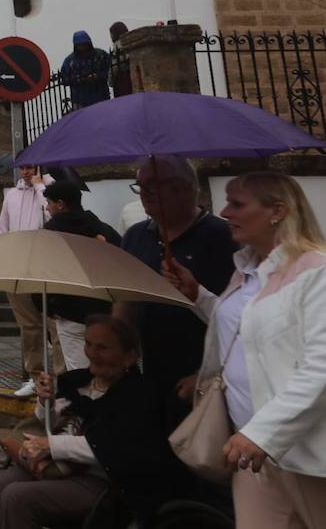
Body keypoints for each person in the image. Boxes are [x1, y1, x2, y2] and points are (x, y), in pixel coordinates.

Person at [164, 172, 326, 525]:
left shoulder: (317, 272)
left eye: (237, 203)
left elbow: (321, 368)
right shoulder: (248, 270)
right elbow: (246, 332)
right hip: (253, 454)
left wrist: (261, 433)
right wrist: (199, 297)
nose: (223, 212)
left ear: (277, 211)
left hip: (310, 453)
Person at [0, 315, 195, 529]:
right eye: (88, 344)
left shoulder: (139, 395)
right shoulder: (76, 381)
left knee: (16, 497)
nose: (92, 354)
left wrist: (51, 446)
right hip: (57, 466)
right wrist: (45, 401)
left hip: (101, 477)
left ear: (129, 357)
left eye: (102, 348)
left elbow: (114, 447)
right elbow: (48, 423)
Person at [118, 155, 237, 431]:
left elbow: (242, 318)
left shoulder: (222, 237)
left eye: (152, 186)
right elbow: (125, 298)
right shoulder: (137, 236)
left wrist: (211, 374)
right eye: (139, 187)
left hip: (204, 376)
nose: (144, 195)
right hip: (152, 370)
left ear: (184, 188)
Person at [40, 180, 121, 370]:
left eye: (50, 203)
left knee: (78, 371)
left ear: (60, 204)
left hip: (68, 310)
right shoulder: (102, 228)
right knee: (105, 368)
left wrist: (47, 306)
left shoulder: (51, 234)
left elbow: (44, 270)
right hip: (102, 308)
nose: (47, 207)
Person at [0, 165, 57, 398]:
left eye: (30, 167)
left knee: (54, 324)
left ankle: (61, 376)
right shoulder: (12, 195)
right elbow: (3, 229)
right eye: (22, 167)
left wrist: (41, 187)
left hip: (46, 265)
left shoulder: (51, 191)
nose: (25, 172)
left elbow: (53, 216)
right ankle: (36, 377)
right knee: (30, 327)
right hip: (19, 266)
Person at [59, 30, 112, 109]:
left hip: (101, 96)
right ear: (75, 46)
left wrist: (98, 76)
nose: (82, 47)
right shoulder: (70, 61)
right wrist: (80, 79)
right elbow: (64, 79)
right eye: (80, 45)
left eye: (84, 44)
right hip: (80, 100)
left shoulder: (100, 55)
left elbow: (110, 70)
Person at [109, 21, 134, 98]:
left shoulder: (117, 48)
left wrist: (110, 80)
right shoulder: (132, 42)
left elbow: (115, 68)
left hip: (122, 83)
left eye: (111, 34)